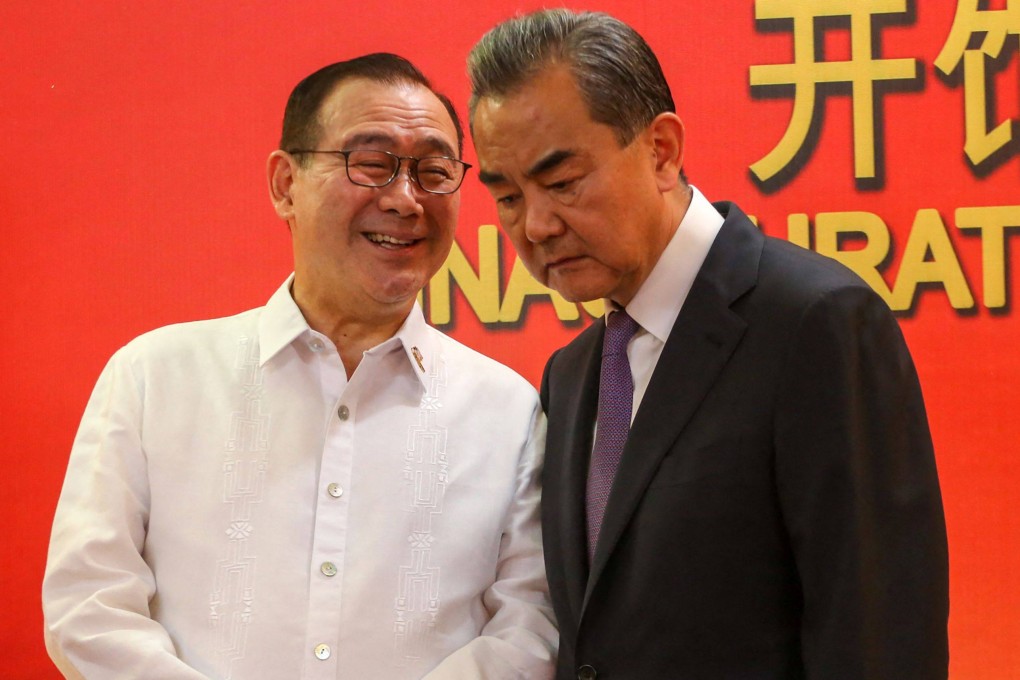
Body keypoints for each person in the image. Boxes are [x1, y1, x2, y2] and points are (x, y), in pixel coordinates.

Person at [467, 10, 949, 680]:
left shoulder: (815, 323)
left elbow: (880, 638)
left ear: (661, 150)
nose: (537, 226)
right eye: (508, 198)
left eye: (561, 182)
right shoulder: (571, 377)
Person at [43, 53, 556, 679]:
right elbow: (88, 607)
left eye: (433, 170)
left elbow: (529, 624)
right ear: (286, 184)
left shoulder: (509, 411)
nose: (404, 199)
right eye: (371, 163)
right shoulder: (154, 378)